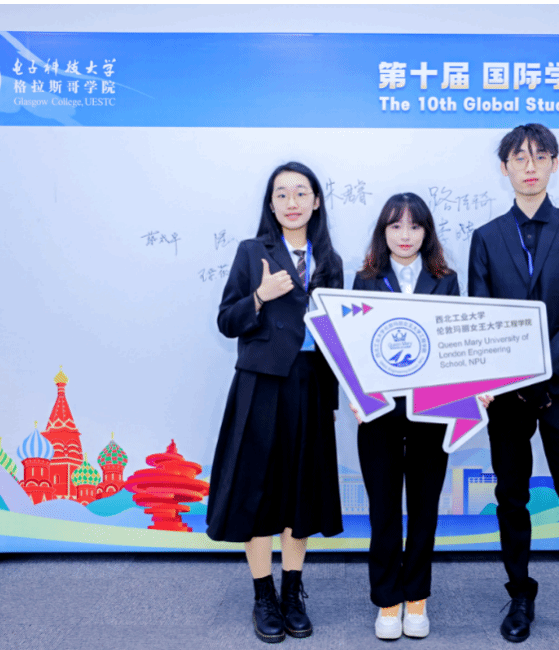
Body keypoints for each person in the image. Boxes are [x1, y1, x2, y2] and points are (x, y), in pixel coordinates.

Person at [468, 124, 559, 650]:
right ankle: (520, 597)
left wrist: (542, 369)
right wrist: (513, 375)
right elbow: (481, 316)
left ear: (554, 164)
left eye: (540, 157)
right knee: (511, 497)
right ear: (504, 168)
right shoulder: (486, 237)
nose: (530, 167)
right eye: (519, 158)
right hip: (507, 393)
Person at [206, 161, 344, 644]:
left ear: (316, 201)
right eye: (281, 194)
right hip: (261, 385)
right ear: (271, 203)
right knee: (257, 491)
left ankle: (292, 592)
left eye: (300, 192)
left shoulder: (330, 260)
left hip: (310, 385)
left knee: (300, 491)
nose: (291, 202)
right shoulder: (252, 252)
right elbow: (227, 321)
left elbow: (338, 334)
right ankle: (263, 595)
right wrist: (260, 297)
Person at [350, 193, 459, 640]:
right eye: (396, 226)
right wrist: (356, 394)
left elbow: (455, 347)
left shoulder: (446, 280)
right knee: (383, 510)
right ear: (384, 232)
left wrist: (470, 393)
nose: (405, 235)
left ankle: (416, 598)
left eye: (415, 226)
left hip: (433, 411)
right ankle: (387, 601)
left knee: (424, 508)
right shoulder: (365, 280)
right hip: (379, 411)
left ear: (426, 232)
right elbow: (353, 346)